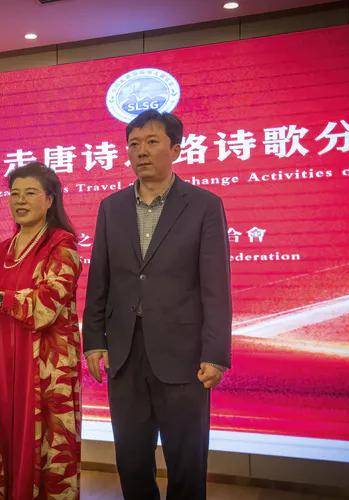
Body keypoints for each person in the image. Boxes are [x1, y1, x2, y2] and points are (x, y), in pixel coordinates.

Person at [82, 109, 232, 499]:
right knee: (131, 460)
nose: (141, 151)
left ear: (176, 149)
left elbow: (216, 286)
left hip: (184, 355)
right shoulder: (111, 207)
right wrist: (94, 341)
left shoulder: (203, 205)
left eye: (152, 142)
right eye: (133, 144)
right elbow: (100, 279)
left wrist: (215, 354)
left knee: (186, 461)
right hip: (124, 352)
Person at [0, 162, 82, 499]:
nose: (20, 201)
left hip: (44, 367)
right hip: (5, 364)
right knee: (7, 440)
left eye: (30, 193)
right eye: (14, 194)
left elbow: (46, 306)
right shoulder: (3, 249)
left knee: (48, 449)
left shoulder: (62, 245)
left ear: (50, 200)